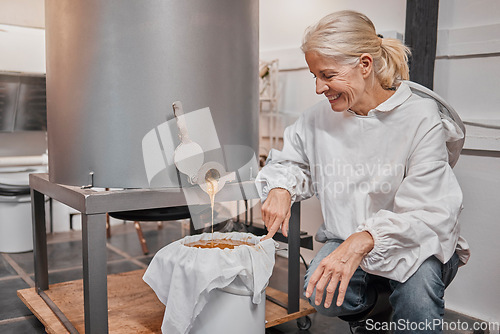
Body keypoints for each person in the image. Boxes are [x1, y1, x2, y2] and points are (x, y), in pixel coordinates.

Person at [255, 10, 470, 334]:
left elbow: (427, 211)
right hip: (347, 234)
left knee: (416, 303)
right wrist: (281, 188)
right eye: (314, 75)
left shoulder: (419, 117)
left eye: (327, 75)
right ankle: (376, 315)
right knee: (320, 289)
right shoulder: (317, 119)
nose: (318, 87)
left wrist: (365, 238)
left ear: (365, 64)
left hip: (416, 238)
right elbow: (290, 160)